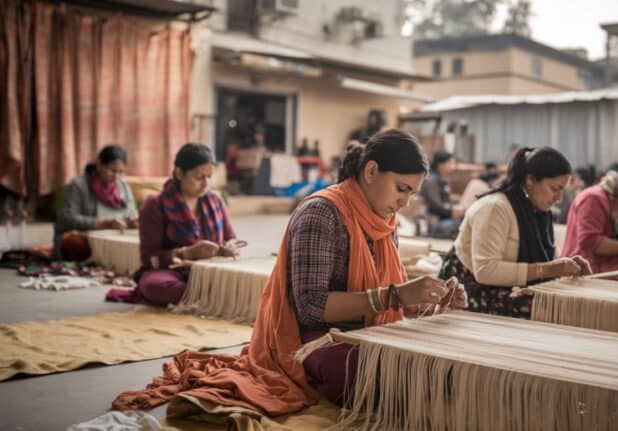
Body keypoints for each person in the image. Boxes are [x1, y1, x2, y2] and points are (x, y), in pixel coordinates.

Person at [112, 129, 468, 417]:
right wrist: (398, 295)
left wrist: (430, 301)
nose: (405, 202)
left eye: (412, 193)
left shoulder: (383, 218)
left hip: (366, 327)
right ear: (371, 171)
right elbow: (311, 308)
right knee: (389, 376)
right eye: (402, 189)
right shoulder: (322, 214)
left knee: (443, 359)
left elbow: (382, 289)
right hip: (312, 339)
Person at [439, 147, 591, 319]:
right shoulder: (495, 209)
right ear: (530, 180)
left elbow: (546, 258)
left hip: (503, 286)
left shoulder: (540, 213)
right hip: (468, 288)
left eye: (562, 190)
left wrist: (566, 266)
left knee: (565, 301)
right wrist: (549, 269)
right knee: (545, 309)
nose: (559, 198)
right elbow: (486, 271)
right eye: (555, 189)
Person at [118, 143, 239, 306]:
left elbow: (231, 238)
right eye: (199, 177)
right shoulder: (155, 204)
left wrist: (230, 247)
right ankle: (209, 294)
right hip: (170, 271)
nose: (205, 184)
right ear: (179, 173)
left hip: (212, 270)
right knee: (158, 287)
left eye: (209, 177)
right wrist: (187, 253)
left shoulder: (215, 200)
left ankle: (202, 293)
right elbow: (148, 258)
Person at [53, 145, 138, 261]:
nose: (116, 176)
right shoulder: (78, 186)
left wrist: (133, 221)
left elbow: (131, 213)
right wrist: (105, 224)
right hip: (84, 235)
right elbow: (68, 218)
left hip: (112, 236)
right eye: (112, 170)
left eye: (121, 172)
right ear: (99, 165)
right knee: (75, 244)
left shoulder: (124, 187)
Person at [421, 150, 464, 238]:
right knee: (462, 223)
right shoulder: (432, 180)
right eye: (450, 163)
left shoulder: (440, 179)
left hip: (443, 218)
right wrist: (451, 212)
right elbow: (434, 205)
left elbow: (445, 201)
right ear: (441, 164)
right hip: (435, 222)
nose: (453, 166)